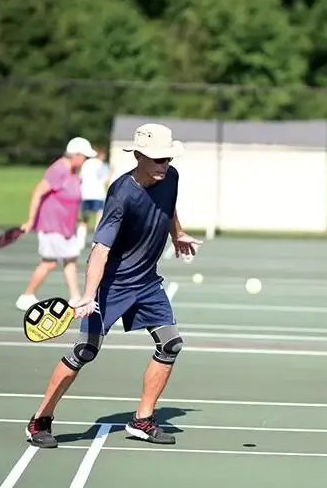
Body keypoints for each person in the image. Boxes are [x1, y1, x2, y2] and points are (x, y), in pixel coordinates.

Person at [25, 123, 201, 449]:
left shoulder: (170, 177)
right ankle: (41, 419)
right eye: (157, 159)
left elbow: (168, 205)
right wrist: (88, 296)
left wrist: (177, 234)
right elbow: (100, 249)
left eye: (167, 158)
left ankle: (142, 420)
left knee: (170, 344)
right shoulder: (122, 194)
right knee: (84, 351)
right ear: (138, 156)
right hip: (112, 286)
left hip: (147, 282)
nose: (164, 164)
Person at [15, 137, 98, 311]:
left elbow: (69, 199)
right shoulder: (58, 169)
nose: (85, 160)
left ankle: (75, 298)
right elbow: (37, 192)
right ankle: (27, 295)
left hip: (66, 226)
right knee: (49, 262)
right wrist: (31, 220)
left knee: (70, 259)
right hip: (52, 225)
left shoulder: (73, 171)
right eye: (84, 156)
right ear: (75, 154)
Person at [76, 146, 113, 248]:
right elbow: (106, 181)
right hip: (98, 194)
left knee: (84, 218)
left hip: (85, 194)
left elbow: (80, 178)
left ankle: (80, 242)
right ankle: (95, 243)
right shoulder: (102, 165)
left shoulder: (85, 163)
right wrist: (111, 172)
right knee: (99, 219)